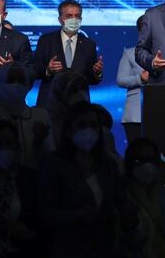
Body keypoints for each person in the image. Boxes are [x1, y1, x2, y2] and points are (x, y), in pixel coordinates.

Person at [38, 101, 123, 257]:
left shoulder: (108, 165)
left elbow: (119, 201)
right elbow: (45, 212)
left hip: (104, 248)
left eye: (93, 125)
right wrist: (76, 215)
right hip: (69, 248)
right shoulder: (54, 165)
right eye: (82, 125)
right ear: (69, 131)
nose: (88, 130)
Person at [0, 120, 42, 257]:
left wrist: (27, 233)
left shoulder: (30, 180)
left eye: (8, 143)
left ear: (17, 147)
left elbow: (42, 225)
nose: (3, 149)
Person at [0, 62, 53, 170]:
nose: (16, 85)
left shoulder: (41, 116)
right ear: (0, 83)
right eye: (10, 80)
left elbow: (51, 158)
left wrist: (40, 143)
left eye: (21, 80)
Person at [122, 137, 165, 258]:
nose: (146, 165)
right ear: (129, 164)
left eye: (150, 160)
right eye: (139, 160)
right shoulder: (122, 197)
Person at [33, 0, 103, 107]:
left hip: (79, 105)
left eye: (77, 16)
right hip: (51, 103)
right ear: (60, 20)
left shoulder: (89, 44)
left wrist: (96, 73)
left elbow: (92, 80)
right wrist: (47, 70)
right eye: (69, 16)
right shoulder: (46, 40)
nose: (74, 19)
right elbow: (35, 71)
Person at [116, 16, 149, 143]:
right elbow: (121, 79)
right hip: (135, 113)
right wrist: (139, 78)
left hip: (161, 110)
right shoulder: (129, 53)